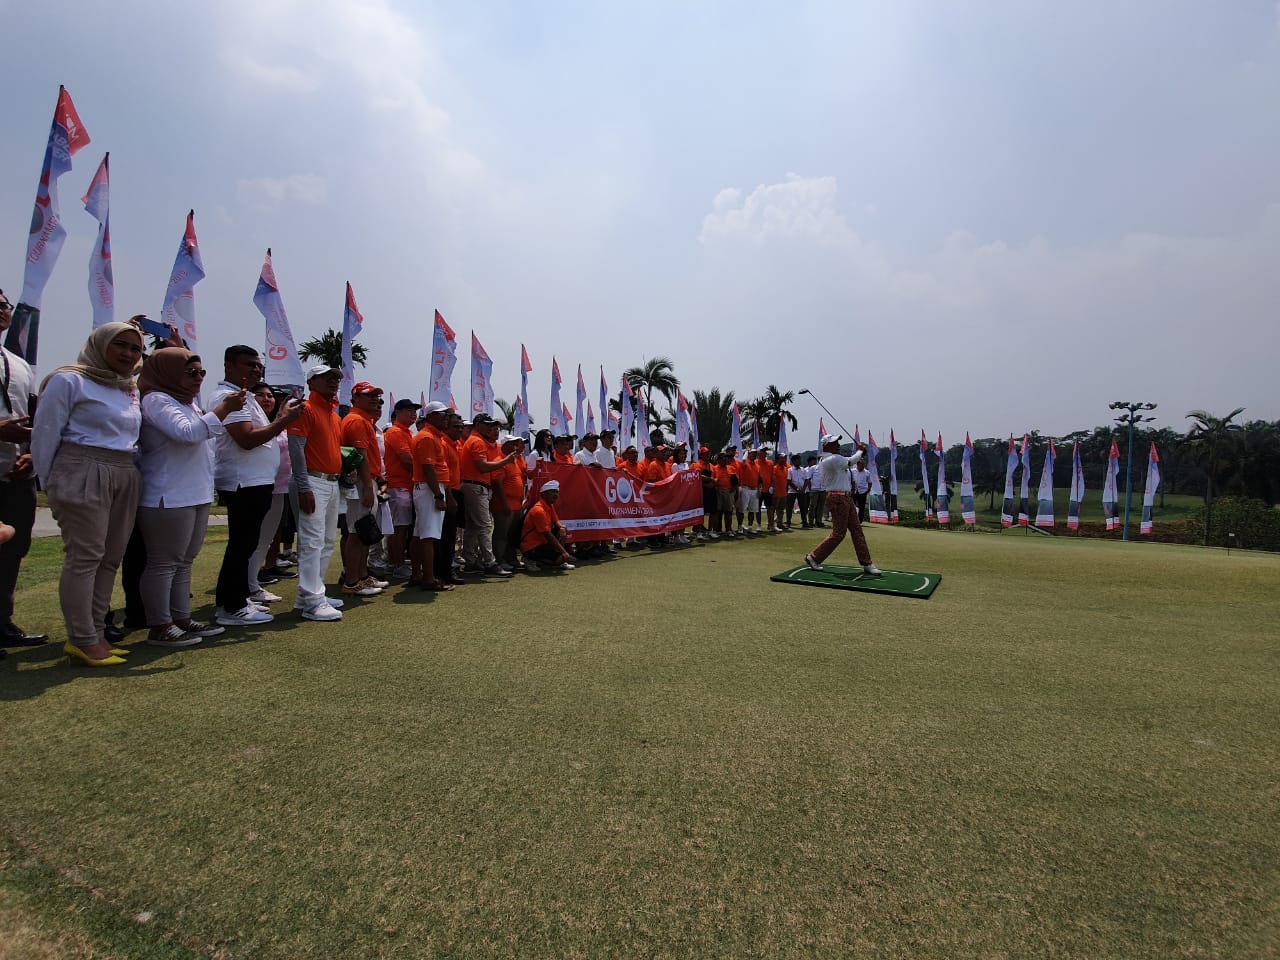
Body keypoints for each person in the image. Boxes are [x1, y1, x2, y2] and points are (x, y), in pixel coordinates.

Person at [32, 321, 146, 666]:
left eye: (135, 348)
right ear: (99, 344)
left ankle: (96, 630)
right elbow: (45, 433)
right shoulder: (69, 380)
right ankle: (81, 638)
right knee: (85, 556)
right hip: (81, 466)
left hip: (124, 469)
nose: (128, 354)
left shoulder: (128, 388)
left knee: (111, 557)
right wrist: (49, 483)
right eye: (120, 345)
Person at [136, 348, 243, 646]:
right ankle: (160, 625)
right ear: (169, 373)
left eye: (201, 373)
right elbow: (187, 434)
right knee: (163, 562)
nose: (198, 379)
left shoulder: (187, 403)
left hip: (194, 492)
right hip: (167, 494)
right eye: (191, 373)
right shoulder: (156, 399)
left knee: (184, 561)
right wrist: (224, 409)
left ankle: (181, 618)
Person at [209, 345, 301, 626]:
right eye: (248, 365)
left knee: (247, 544)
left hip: (257, 481)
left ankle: (239, 597)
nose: (255, 370)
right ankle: (230, 606)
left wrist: (280, 419)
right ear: (229, 366)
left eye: (258, 366)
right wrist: (284, 421)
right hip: (243, 481)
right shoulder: (227, 396)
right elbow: (247, 439)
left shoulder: (244, 398)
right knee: (242, 544)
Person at [0, 288, 46, 649]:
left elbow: (36, 418)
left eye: (5, 304)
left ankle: (3, 622)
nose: (3, 309)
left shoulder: (18, 364)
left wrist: (33, 453)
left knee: (14, 548)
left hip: (16, 472)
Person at [287, 364, 348, 621]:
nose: (333, 382)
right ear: (312, 383)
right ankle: (312, 601)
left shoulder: (333, 415)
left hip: (331, 483)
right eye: (326, 378)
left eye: (335, 378)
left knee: (325, 541)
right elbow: (296, 449)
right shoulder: (305, 409)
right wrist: (303, 486)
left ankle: (313, 595)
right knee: (311, 542)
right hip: (312, 481)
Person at [804, 434, 882, 575]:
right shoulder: (830, 459)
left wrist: (859, 452)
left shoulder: (834, 458)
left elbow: (850, 460)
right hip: (837, 498)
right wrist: (860, 451)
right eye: (835, 443)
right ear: (826, 445)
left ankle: (867, 563)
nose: (838, 445)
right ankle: (813, 557)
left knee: (857, 530)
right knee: (839, 533)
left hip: (846, 497)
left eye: (838, 442)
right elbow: (851, 461)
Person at [245, 384, 293, 607]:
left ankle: (252, 584)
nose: (267, 399)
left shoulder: (279, 424)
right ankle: (244, 586)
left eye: (270, 396)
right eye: (261, 395)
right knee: (251, 540)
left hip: (280, 488)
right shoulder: (257, 422)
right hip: (258, 486)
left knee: (266, 539)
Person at [338, 381, 388, 597]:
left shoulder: (363, 420)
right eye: (369, 395)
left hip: (368, 480)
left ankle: (361, 576)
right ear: (356, 397)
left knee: (364, 531)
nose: (374, 399)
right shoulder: (356, 420)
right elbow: (361, 456)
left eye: (376, 395)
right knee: (357, 531)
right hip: (361, 482)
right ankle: (352, 581)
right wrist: (368, 486)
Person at [458, 413, 519, 576]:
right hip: (475, 485)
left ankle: (470, 561)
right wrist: (505, 461)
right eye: (487, 424)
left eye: (492, 425)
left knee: (473, 527)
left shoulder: (478, 440)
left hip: (474, 485)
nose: (491, 428)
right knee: (485, 525)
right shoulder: (477, 441)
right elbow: (483, 467)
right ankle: (490, 563)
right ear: (477, 425)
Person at [381, 398, 419, 578]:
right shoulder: (396, 432)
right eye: (409, 410)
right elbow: (406, 459)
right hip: (398, 486)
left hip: (405, 485)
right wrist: (424, 476)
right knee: (399, 528)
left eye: (414, 410)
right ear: (398, 412)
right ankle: (396, 564)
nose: (413, 413)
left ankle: (395, 562)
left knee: (402, 528)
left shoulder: (407, 433)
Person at [520, 480, 574, 571]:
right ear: (544, 494)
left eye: (556, 492)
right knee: (560, 558)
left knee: (562, 530)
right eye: (552, 492)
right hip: (532, 545)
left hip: (542, 542)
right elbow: (547, 534)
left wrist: (561, 528)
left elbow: (556, 520)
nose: (556, 495)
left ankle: (556, 559)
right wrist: (564, 552)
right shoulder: (539, 510)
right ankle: (529, 559)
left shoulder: (549, 505)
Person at [852, 444, 872, 522]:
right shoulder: (853, 471)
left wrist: (868, 489)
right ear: (857, 465)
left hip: (863, 491)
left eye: (864, 464)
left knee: (862, 506)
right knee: (852, 506)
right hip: (854, 490)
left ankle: (859, 520)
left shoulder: (867, 472)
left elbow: (870, 482)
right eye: (861, 464)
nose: (863, 466)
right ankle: (852, 519)